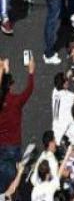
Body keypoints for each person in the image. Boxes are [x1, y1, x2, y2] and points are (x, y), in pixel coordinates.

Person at [0, 56, 33, 191]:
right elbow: (29, 90)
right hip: (14, 145)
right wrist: (31, 72)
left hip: (1, 144)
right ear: (11, 85)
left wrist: (6, 71)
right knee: (14, 174)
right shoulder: (16, 101)